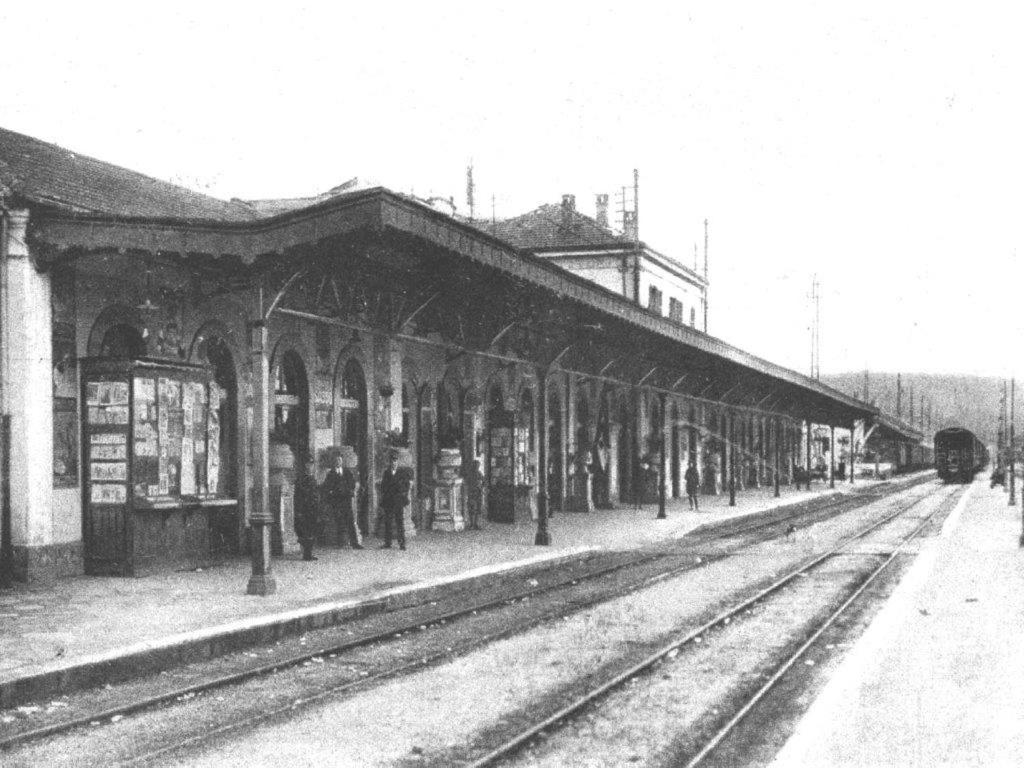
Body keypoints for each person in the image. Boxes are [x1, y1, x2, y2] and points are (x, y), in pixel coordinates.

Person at [320, 452, 363, 549]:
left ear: (342, 461)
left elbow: (352, 483)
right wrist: (333, 493)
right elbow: (326, 486)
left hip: (346, 501)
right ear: (334, 462)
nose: (338, 462)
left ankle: (354, 543)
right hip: (337, 501)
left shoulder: (347, 472)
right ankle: (340, 543)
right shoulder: (331, 474)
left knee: (350, 522)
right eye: (336, 460)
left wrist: (348, 490)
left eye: (339, 460)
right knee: (339, 522)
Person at [380, 450, 411, 549]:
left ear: (398, 462)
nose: (394, 463)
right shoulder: (386, 473)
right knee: (388, 522)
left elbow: (406, 485)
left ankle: (402, 543)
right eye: (392, 461)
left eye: (396, 461)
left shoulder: (402, 473)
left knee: (399, 522)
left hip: (398, 501)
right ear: (390, 463)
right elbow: (383, 486)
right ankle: (388, 543)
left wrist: (402, 493)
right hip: (389, 500)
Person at [293, 453, 322, 561]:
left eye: (312, 464)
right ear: (305, 465)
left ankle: (309, 553)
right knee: (306, 531)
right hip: (305, 509)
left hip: (313, 508)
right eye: (309, 464)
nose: (310, 466)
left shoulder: (312, 478)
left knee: (312, 530)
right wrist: (299, 510)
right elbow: (299, 496)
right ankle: (307, 553)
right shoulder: (301, 479)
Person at [464, 459, 484, 530]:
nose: (477, 467)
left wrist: (481, 486)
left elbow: (483, 481)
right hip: (472, 493)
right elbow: (466, 483)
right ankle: (472, 524)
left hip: (478, 493)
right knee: (472, 508)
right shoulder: (470, 474)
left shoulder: (479, 473)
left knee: (478, 509)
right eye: (476, 465)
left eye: (478, 466)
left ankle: (475, 524)